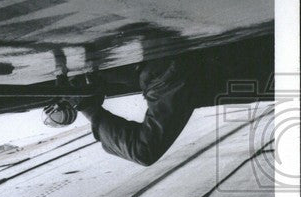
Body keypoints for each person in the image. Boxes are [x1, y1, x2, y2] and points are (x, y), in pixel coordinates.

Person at [56, 31, 273, 166]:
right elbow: (142, 150)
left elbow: (144, 151)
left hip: (187, 68)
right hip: (175, 71)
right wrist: (88, 108)